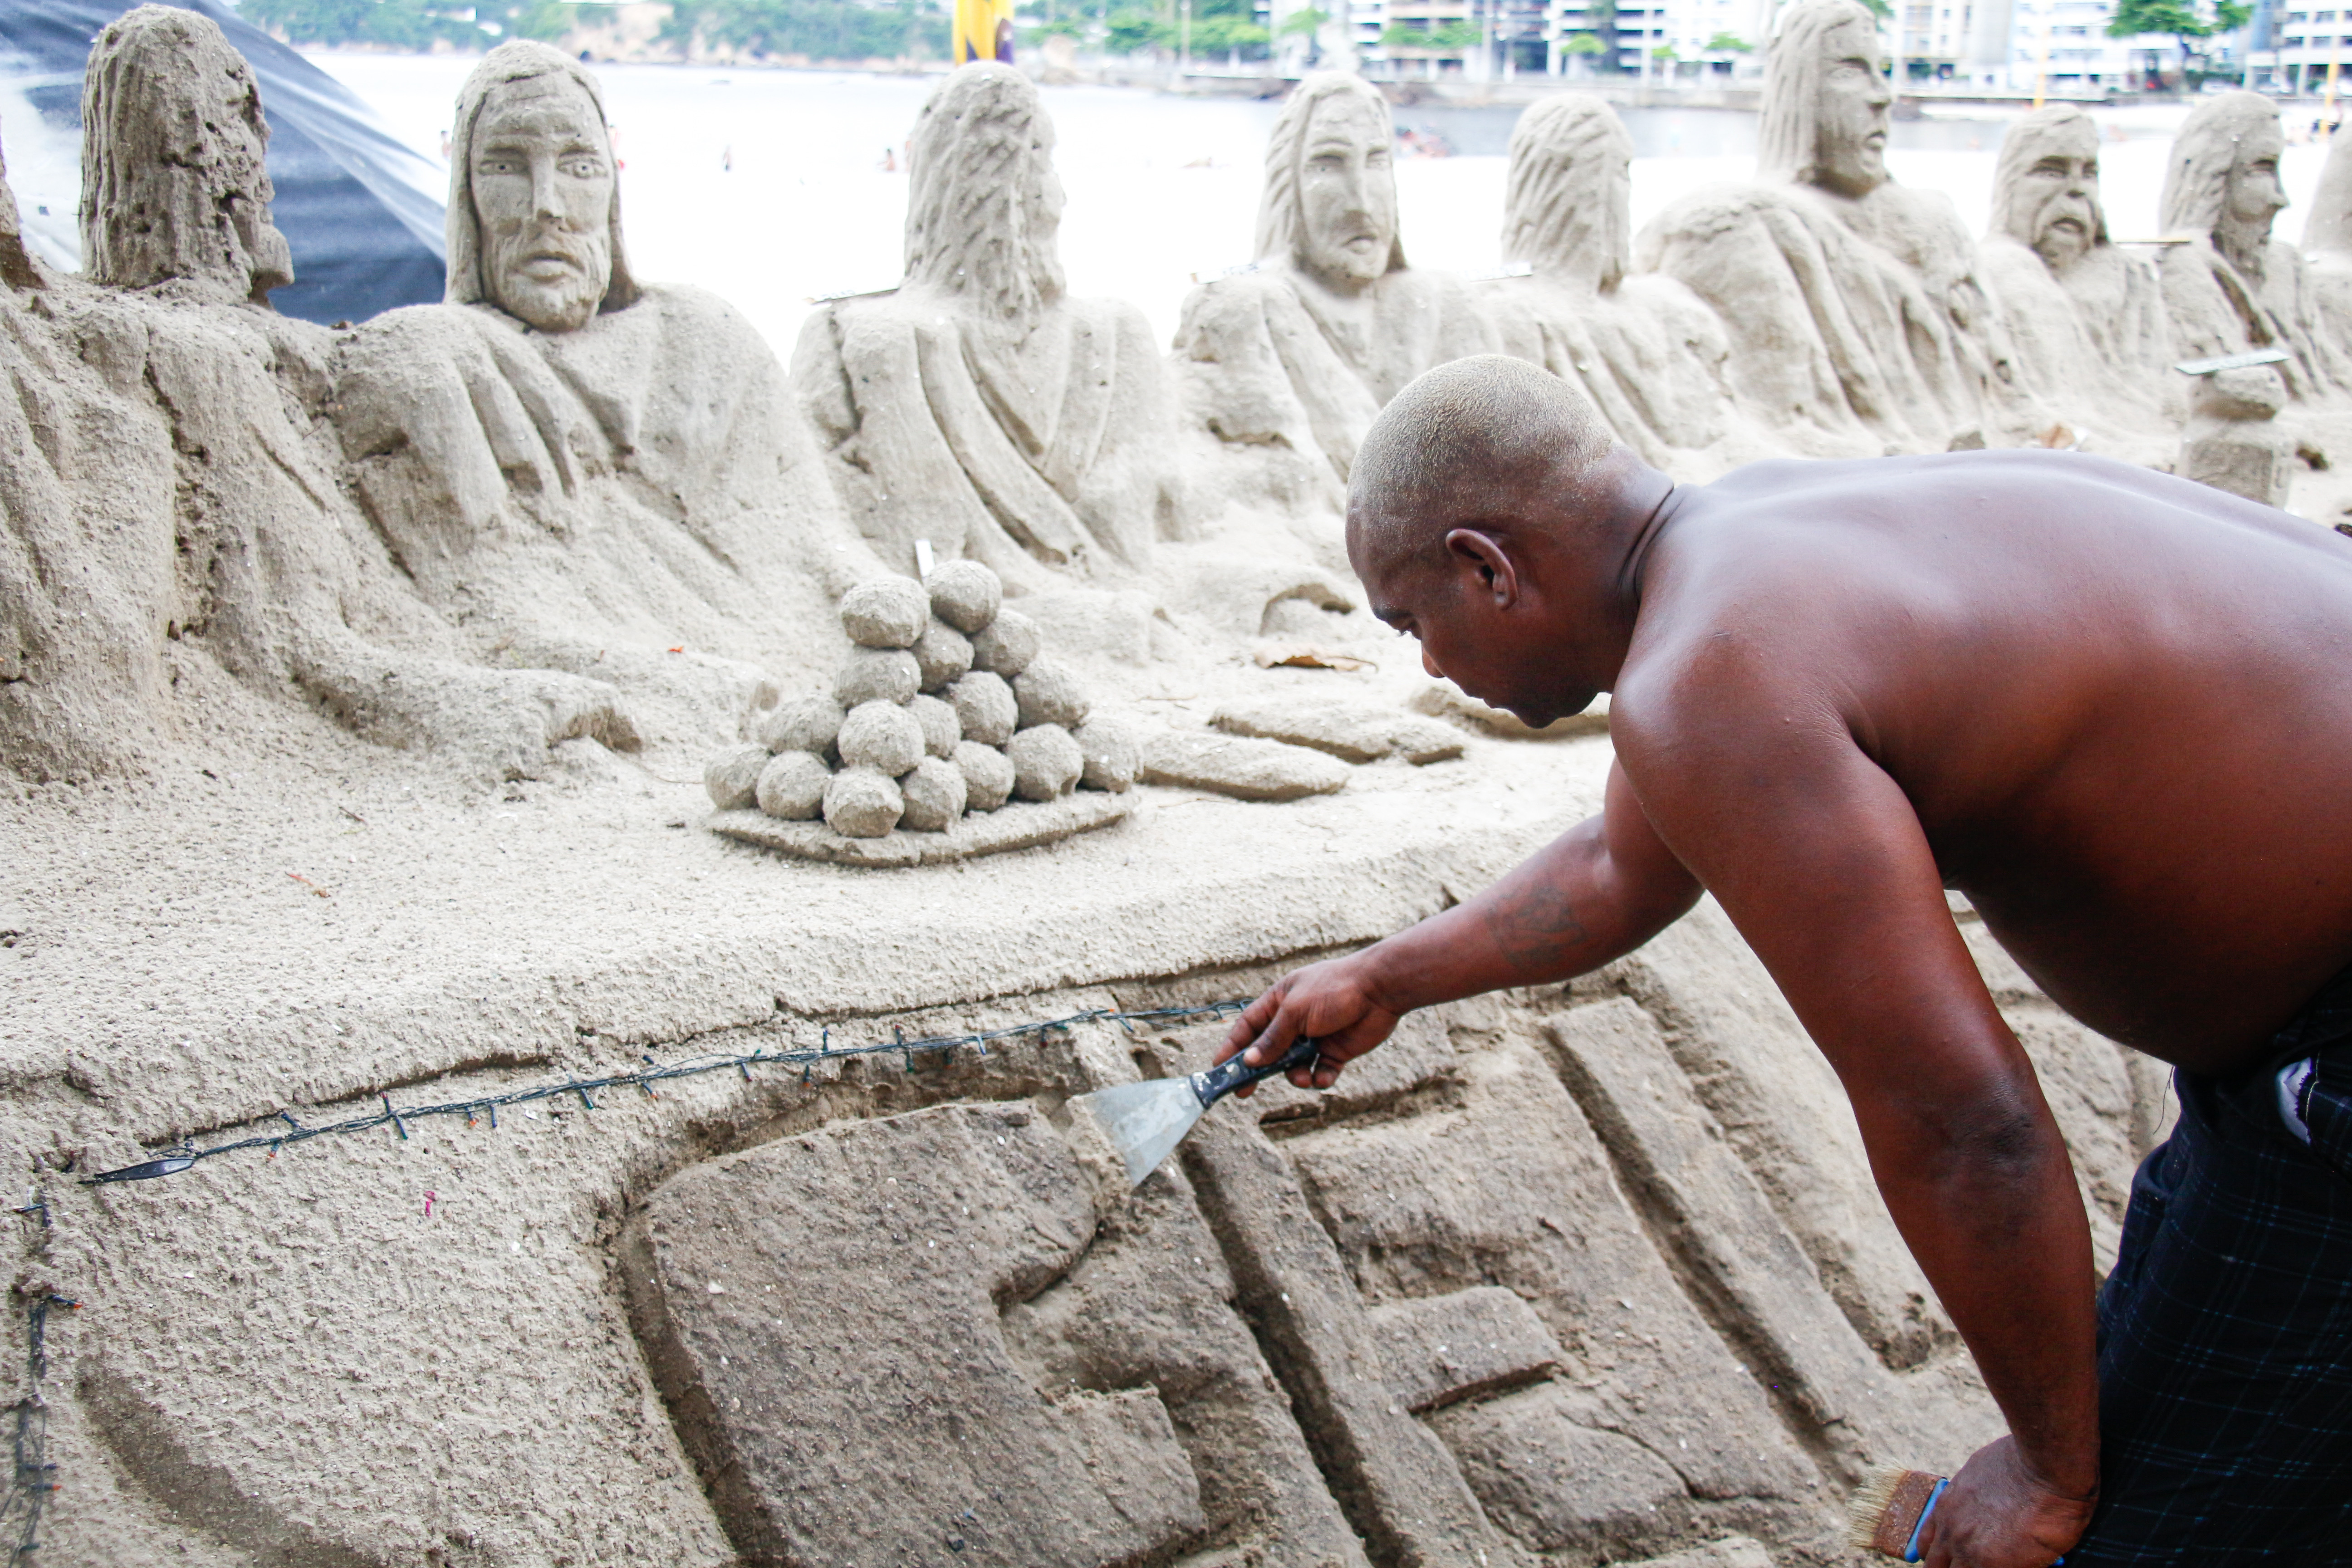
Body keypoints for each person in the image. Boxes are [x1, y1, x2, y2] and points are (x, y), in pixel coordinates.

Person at [1220, 353, 2352, 1564]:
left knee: (2138, 1535)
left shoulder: (1712, 675)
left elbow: (1963, 1119)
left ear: (1486, 567)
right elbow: (1618, 868)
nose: (1432, 669)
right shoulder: (1741, 553)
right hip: (2284, 1050)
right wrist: (1385, 978)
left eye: (1414, 624)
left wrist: (2045, 1477)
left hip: (2324, 1055)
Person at [792, 64, 1187, 587]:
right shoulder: (868, 340)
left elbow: (1148, 518)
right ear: (994, 183)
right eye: (1043, 164)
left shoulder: (1116, 334)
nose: (1061, 199)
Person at [1636, 0, 2022, 455]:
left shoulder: (1935, 218)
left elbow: (2008, 384)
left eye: (1881, 71)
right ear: (1799, 93)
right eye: (1851, 71)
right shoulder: (1740, 223)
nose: (1882, 96)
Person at [1172, 72, 1491, 505]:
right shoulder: (1247, 308)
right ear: (1289, 183)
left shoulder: (1447, 302)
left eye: (1377, 161)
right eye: (1328, 164)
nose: (1360, 199)